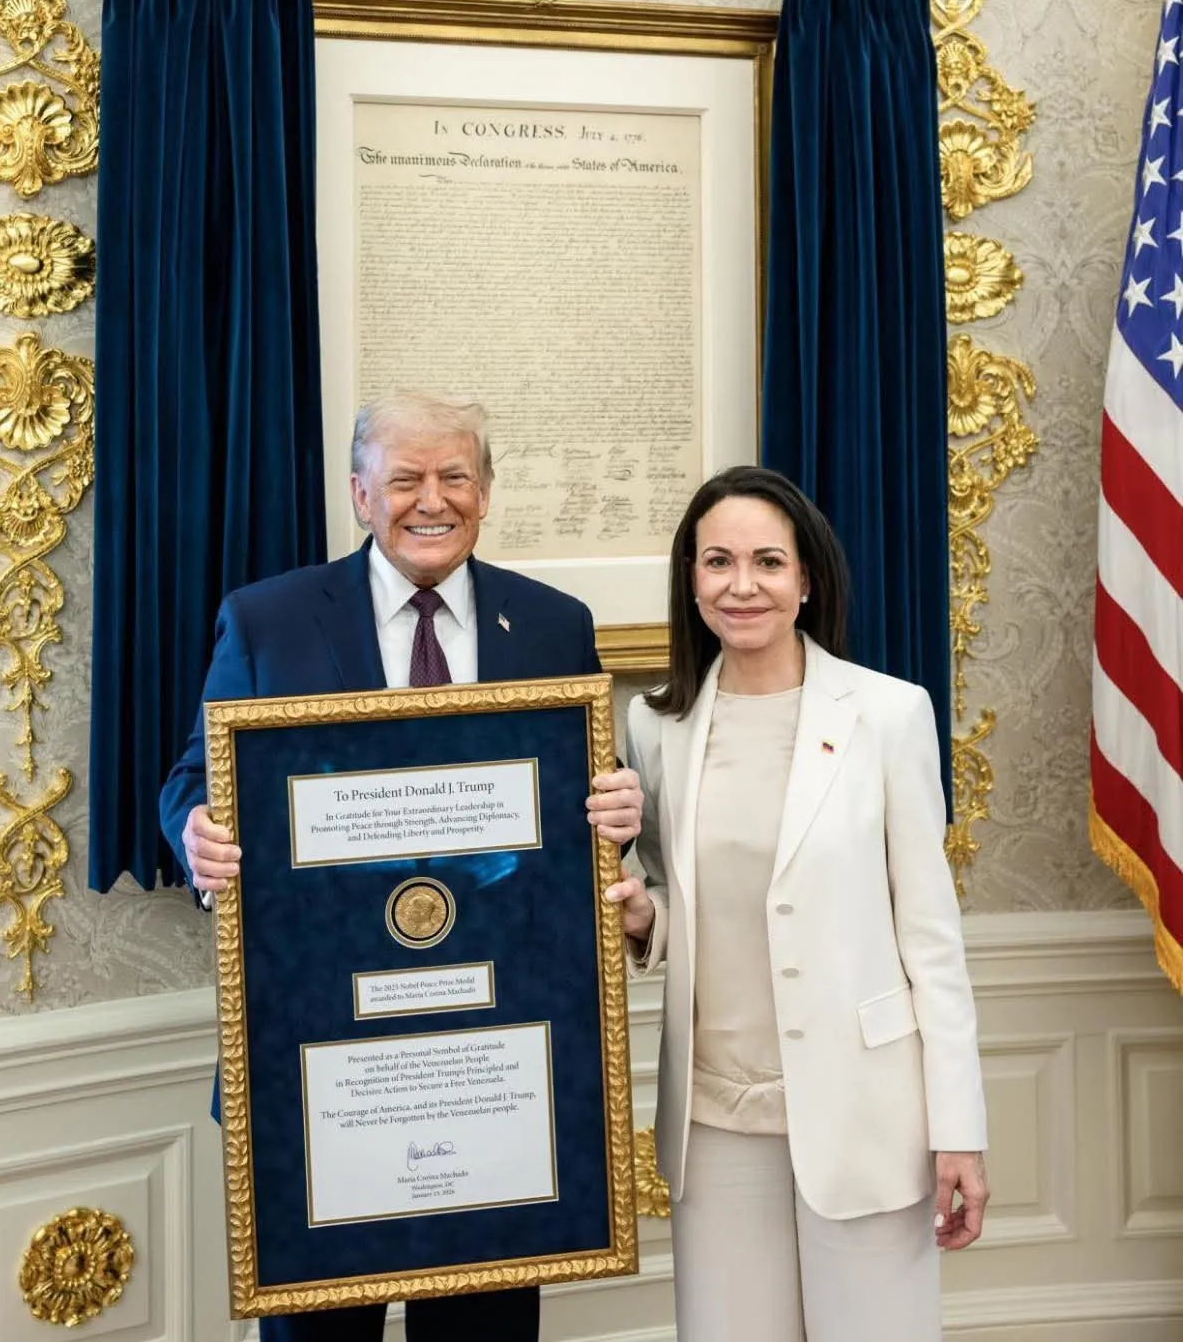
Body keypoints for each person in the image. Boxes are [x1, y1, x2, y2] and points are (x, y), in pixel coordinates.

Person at [160, 391, 643, 1342]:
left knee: (483, 1325)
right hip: (320, 1050)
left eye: (455, 476)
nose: (433, 500)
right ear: (360, 494)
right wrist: (196, 831)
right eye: (406, 479)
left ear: (485, 492)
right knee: (319, 1330)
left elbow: (577, 805)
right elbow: (194, 780)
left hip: (495, 1049)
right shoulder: (268, 619)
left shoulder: (553, 623)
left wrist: (618, 815)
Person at [605, 466, 987, 1342]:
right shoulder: (655, 726)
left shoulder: (889, 714)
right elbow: (670, 892)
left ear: (806, 578)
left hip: (866, 1113)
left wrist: (959, 1129)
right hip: (714, 1119)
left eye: (768, 562)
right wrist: (643, 919)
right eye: (718, 562)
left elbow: (932, 941)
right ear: (691, 578)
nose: (741, 585)